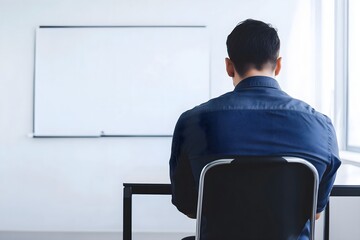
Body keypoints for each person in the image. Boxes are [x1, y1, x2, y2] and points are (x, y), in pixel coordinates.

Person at [169, 19, 341, 239]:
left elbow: (189, 207)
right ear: (278, 65)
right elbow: (314, 212)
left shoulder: (192, 122)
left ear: (229, 66)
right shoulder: (321, 126)